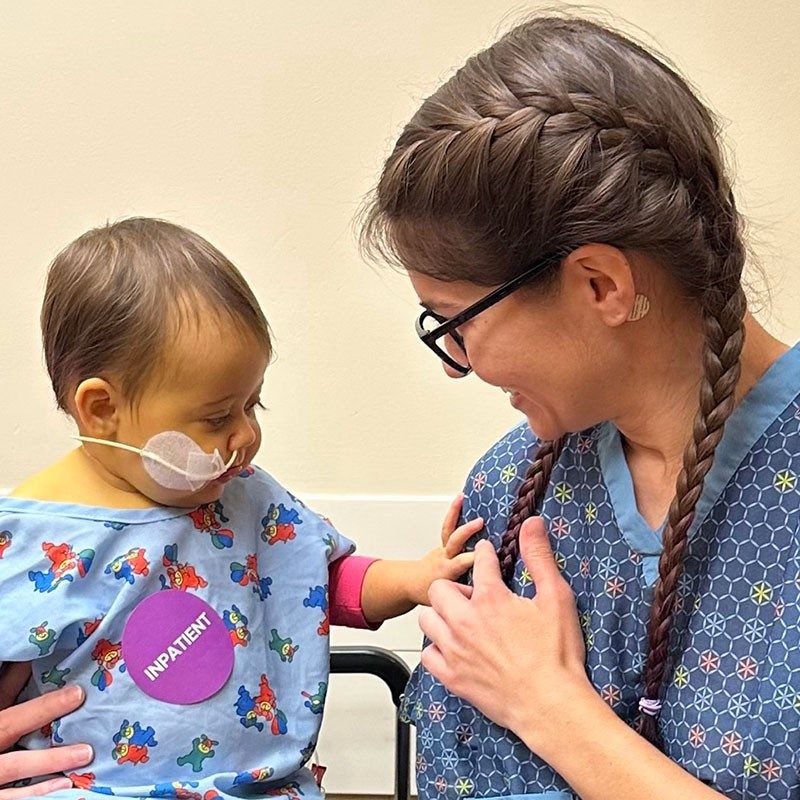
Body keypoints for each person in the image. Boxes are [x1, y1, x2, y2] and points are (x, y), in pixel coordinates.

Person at [360, 13, 799, 800]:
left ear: (601, 284)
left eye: (458, 324)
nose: (460, 367)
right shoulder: (513, 491)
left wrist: (552, 708)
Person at [0, 217, 480, 800]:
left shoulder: (243, 495)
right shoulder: (28, 541)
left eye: (254, 405)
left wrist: (415, 580)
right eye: (217, 416)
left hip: (264, 788)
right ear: (102, 410)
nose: (245, 435)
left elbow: (312, 580)